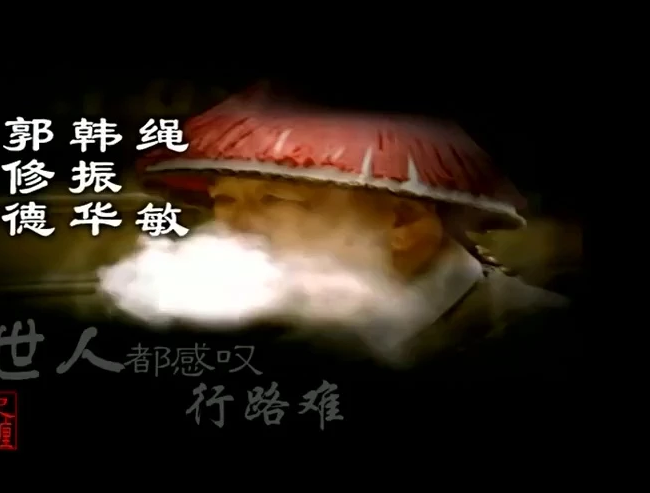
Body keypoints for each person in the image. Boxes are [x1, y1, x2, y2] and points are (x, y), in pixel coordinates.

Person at [135, 85, 572, 368]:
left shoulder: (541, 334)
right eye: (224, 199)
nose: (233, 228)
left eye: (275, 200)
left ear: (401, 220)